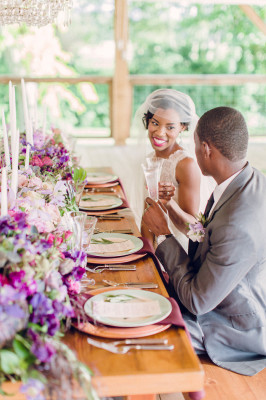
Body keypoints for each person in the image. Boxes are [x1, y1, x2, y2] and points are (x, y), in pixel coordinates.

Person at [142, 106, 266, 376]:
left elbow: (197, 301)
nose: (192, 150)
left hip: (231, 326)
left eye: (195, 143)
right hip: (217, 298)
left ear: (207, 149)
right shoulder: (246, 180)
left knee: (141, 336)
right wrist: (171, 208)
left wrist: (163, 235)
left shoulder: (238, 223)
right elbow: (209, 234)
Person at [137, 89, 202, 251]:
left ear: (183, 127)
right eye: (155, 123)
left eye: (170, 127)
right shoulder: (151, 158)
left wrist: (170, 203)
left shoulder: (185, 165)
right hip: (149, 249)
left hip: (175, 255)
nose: (159, 133)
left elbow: (195, 232)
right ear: (148, 120)